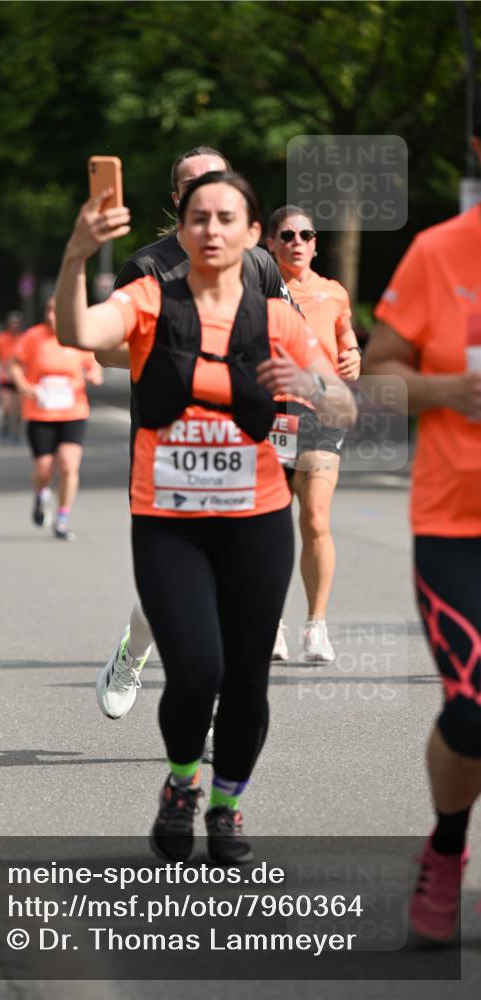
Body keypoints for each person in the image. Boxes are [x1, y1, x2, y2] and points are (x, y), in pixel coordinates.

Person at [55, 171, 356, 863]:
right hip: (168, 521)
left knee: (246, 676)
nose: (211, 229)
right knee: (195, 670)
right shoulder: (147, 299)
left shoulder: (277, 316)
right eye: (198, 218)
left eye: (226, 218)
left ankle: (225, 804)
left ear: (251, 235)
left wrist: (307, 384)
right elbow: (78, 330)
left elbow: (342, 407)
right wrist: (75, 254)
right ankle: (182, 782)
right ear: (181, 229)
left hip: (254, 520)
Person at [96, 146, 295, 722]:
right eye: (192, 184)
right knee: (180, 589)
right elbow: (108, 348)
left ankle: (209, 720)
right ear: (177, 199)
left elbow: (288, 340)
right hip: (168, 452)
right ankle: (134, 653)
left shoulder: (260, 263)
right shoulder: (146, 267)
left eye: (216, 179)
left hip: (246, 446)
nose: (206, 190)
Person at [364, 101, 481, 942]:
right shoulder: (442, 253)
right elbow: (377, 378)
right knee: (475, 708)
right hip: (457, 522)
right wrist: (446, 392)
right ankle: (445, 849)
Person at [265, 205, 361, 662]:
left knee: (317, 520)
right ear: (270, 243)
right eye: (287, 235)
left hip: (322, 416)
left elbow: (346, 338)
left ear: (316, 244)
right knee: (270, 526)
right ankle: (271, 624)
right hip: (274, 415)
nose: (297, 242)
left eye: (306, 235)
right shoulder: (261, 292)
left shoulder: (333, 292)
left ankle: (316, 626)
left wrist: (354, 354)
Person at [9, 297, 103, 540]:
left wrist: (93, 375)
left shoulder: (77, 337)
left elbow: (94, 365)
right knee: (44, 470)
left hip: (73, 410)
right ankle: (41, 495)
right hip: (40, 410)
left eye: (57, 311)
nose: (52, 316)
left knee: (69, 465)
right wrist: (23, 385)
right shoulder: (33, 337)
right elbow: (15, 365)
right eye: (49, 311)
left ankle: (62, 518)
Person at [0, 311, 24, 442]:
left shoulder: (25, 338)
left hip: (20, 377)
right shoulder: (0, 338)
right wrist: (1, 365)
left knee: (19, 408)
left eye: (17, 323)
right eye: (12, 322)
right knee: (6, 406)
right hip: (5, 377)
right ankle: (5, 424)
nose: (14, 325)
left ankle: (16, 432)